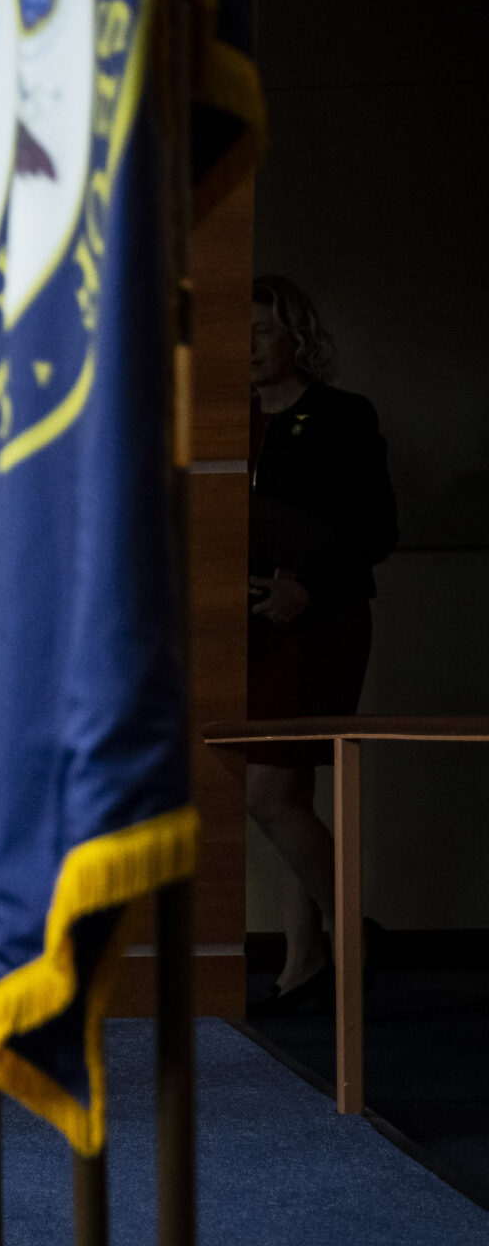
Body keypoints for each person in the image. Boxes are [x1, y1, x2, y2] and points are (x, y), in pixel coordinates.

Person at [244, 274, 397, 1014]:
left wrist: (307, 584)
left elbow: (376, 532)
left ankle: (352, 934)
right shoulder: (228, 420)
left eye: (262, 331)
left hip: (322, 621)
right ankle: (303, 962)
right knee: (290, 793)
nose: (247, 348)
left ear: (296, 337)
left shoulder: (341, 416)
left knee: (267, 793)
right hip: (249, 625)